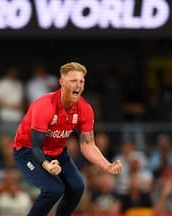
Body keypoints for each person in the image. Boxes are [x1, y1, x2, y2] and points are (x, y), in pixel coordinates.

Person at [11, 62, 122, 216]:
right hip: (27, 151)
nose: (78, 85)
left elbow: (88, 145)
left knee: (77, 188)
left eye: (81, 81)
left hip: (57, 152)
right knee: (53, 189)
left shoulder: (85, 109)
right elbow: (36, 146)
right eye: (73, 81)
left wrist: (107, 165)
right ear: (62, 82)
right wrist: (47, 165)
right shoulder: (44, 106)